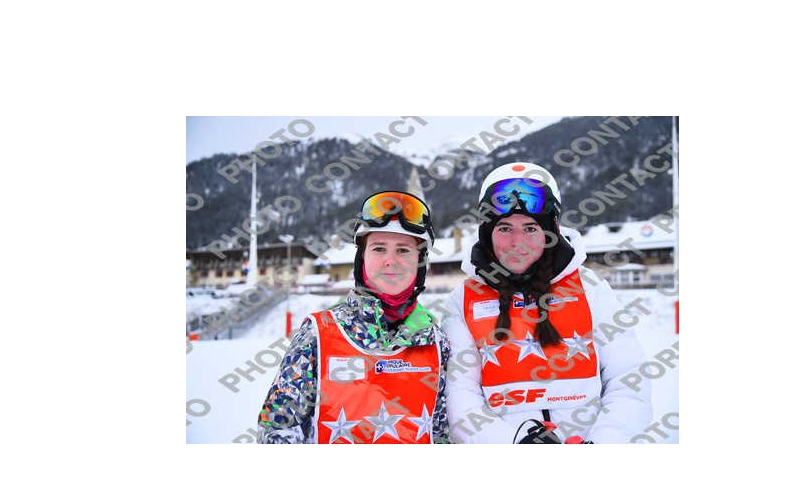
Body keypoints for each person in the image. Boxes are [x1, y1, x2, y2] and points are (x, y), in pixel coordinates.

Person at [441, 162, 652, 443]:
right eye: (504, 228)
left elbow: (628, 379)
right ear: (486, 232)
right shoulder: (464, 300)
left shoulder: (589, 288)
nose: (517, 241)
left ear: (552, 231)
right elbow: (461, 397)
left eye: (530, 228)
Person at [256, 191, 451, 443]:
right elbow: (277, 429)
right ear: (362, 259)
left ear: (420, 262)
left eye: (403, 250)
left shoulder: (436, 343)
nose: (390, 261)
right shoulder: (318, 334)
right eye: (379, 248)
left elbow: (443, 434)